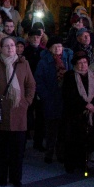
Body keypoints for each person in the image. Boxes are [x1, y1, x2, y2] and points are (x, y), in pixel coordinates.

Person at [0, 36, 36, 187]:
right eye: (7, 46)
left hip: (19, 112)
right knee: (1, 149)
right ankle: (2, 177)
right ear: (0, 48)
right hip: (0, 112)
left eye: (13, 45)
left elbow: (31, 85)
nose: (11, 48)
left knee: (17, 150)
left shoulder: (23, 63)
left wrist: (27, 101)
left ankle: (16, 178)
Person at [60, 51, 94, 174]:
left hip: (91, 114)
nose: (83, 65)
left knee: (87, 141)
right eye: (79, 63)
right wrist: (84, 105)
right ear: (75, 64)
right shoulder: (70, 76)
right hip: (75, 115)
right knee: (72, 140)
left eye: (85, 62)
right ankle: (70, 165)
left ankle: (82, 163)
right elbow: (68, 95)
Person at [34, 36, 70, 164]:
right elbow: (39, 81)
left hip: (63, 99)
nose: (58, 49)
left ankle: (61, 153)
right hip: (50, 99)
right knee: (51, 129)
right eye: (55, 47)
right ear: (50, 48)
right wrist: (45, 96)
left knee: (62, 130)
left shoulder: (67, 59)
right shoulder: (44, 62)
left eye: (60, 46)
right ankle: (49, 153)